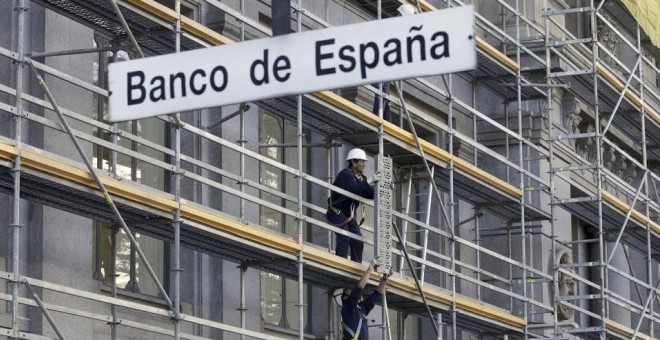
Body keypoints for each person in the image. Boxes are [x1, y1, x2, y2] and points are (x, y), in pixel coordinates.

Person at [331, 148, 375, 262]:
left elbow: (367, 193)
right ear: (353, 162)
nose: (364, 165)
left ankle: (356, 267)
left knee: (358, 241)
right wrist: (370, 181)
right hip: (336, 212)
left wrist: (381, 189)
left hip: (348, 215)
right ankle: (341, 263)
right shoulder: (345, 174)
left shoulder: (362, 178)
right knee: (344, 236)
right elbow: (353, 189)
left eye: (364, 162)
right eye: (362, 162)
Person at [341, 261, 387, 340]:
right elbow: (360, 286)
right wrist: (370, 268)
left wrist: (385, 278)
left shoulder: (361, 308)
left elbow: (377, 294)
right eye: (348, 291)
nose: (351, 290)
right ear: (344, 298)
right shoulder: (348, 307)